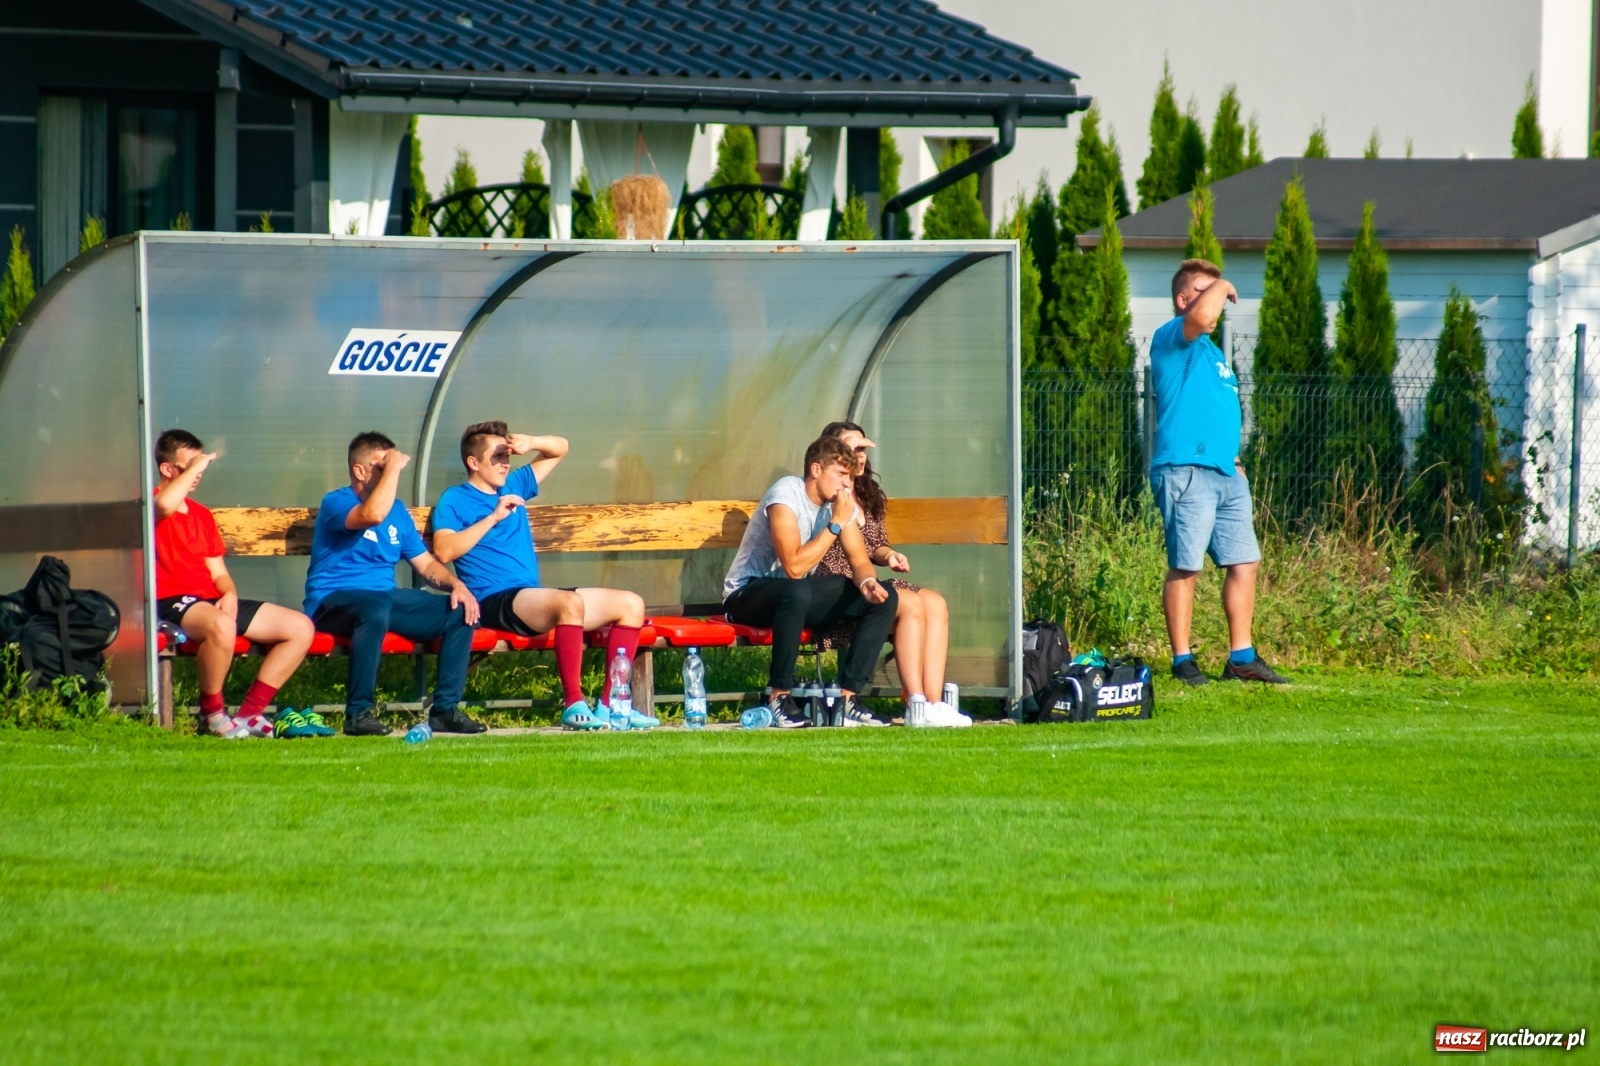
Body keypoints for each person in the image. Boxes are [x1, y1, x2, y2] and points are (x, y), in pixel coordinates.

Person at [430, 421, 658, 731]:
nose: (505, 463)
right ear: (473, 462)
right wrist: (493, 517)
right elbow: (444, 551)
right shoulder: (454, 499)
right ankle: (573, 703)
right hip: (492, 600)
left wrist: (531, 442)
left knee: (631, 604)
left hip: (530, 596)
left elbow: (560, 448)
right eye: (497, 456)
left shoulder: (514, 483)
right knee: (568, 603)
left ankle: (611, 706)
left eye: (507, 455)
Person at [1151, 259, 1287, 686]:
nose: (1218, 296)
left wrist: (1236, 461)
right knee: (1186, 566)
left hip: (1226, 473)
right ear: (1182, 299)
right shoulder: (1172, 337)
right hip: (1185, 470)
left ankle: (1241, 658)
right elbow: (1204, 317)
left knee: (1245, 561)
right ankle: (1182, 660)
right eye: (1203, 289)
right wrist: (1224, 282)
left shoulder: (1212, 355)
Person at [303, 431, 487, 736]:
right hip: (331, 600)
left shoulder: (398, 511)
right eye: (381, 465)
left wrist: (456, 585)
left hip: (383, 599)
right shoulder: (337, 501)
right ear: (359, 471)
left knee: (459, 610)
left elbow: (426, 565)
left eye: (391, 465)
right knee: (374, 609)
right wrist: (394, 468)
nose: (391, 470)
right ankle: (358, 714)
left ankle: (444, 711)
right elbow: (372, 514)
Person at [722, 434, 898, 728]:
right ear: (816, 469)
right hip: (746, 595)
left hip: (795, 597)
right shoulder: (786, 494)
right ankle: (778, 697)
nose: (846, 484)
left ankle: (847, 700)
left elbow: (859, 561)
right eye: (840, 474)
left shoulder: (839, 505)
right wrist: (835, 524)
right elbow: (793, 567)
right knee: (797, 590)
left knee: (885, 597)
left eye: (849, 476)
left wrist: (868, 582)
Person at [153, 429, 317, 738]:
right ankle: (212, 714)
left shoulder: (201, 515)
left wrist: (229, 593)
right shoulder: (151, 505)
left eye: (200, 466)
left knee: (300, 628)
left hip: (209, 601)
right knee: (222, 626)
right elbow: (164, 505)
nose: (198, 473)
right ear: (167, 468)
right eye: (190, 466)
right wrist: (198, 465)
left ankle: (250, 714)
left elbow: (218, 572)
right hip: (171, 601)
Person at [812, 421, 970, 727]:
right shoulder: (830, 494)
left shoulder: (867, 494)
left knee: (935, 603)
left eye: (862, 449)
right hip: (841, 585)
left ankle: (933, 704)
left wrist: (890, 556)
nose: (859, 456)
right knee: (909, 603)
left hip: (869, 577)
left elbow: (876, 546)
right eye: (852, 449)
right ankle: (915, 702)